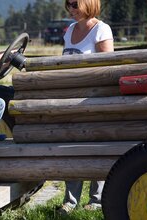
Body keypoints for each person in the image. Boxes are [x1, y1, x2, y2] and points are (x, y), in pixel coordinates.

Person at [58, 0, 114, 214]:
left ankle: (96, 200)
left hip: (94, 102)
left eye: (74, 4)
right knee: (70, 151)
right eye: (68, 4)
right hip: (70, 101)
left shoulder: (101, 30)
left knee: (96, 149)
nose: (70, 9)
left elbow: (109, 69)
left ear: (88, 3)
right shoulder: (70, 30)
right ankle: (70, 201)